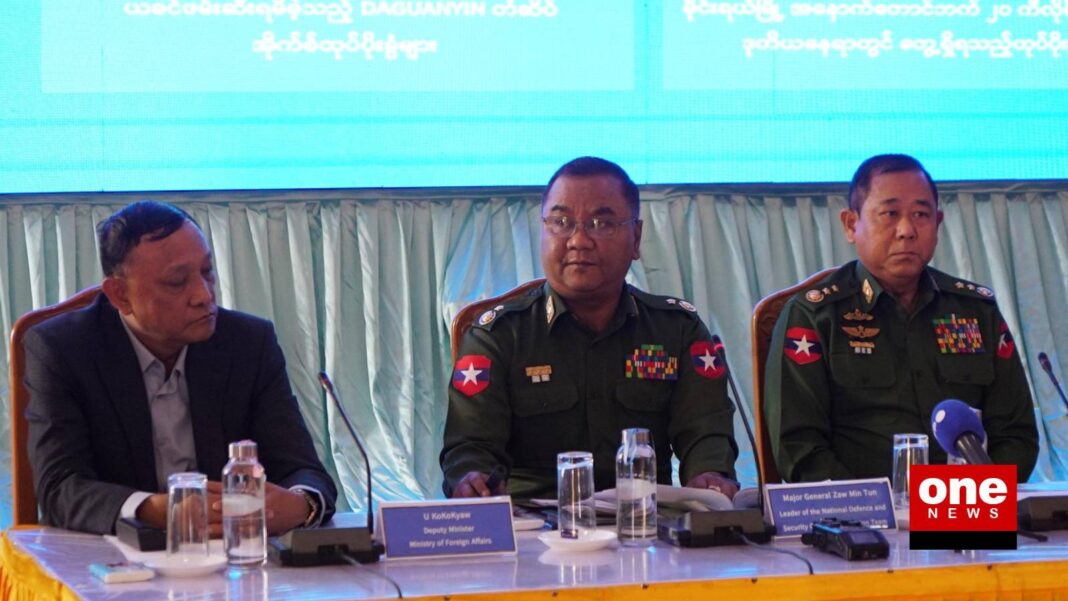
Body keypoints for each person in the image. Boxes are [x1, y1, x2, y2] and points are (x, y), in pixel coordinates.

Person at [25, 201, 337, 535]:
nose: (204, 296)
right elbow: (60, 487)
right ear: (119, 295)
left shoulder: (247, 344)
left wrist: (301, 504)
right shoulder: (63, 349)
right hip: (112, 560)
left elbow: (303, 469)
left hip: (228, 557)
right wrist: (150, 509)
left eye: (207, 272)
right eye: (177, 282)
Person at [440, 156, 739, 500]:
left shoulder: (677, 331)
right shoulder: (499, 336)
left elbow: (706, 431)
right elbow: (470, 446)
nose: (579, 240)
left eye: (601, 223)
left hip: (645, 526)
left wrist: (708, 475)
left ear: (636, 237)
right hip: (536, 529)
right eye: (561, 222)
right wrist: (472, 479)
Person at [765, 154, 1039, 483]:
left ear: (937, 224)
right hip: (861, 522)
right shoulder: (815, 315)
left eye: (921, 215)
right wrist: (871, 509)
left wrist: (964, 501)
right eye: (890, 214)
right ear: (852, 225)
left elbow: (1016, 436)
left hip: (963, 513)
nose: (907, 230)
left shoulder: (976, 311)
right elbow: (799, 448)